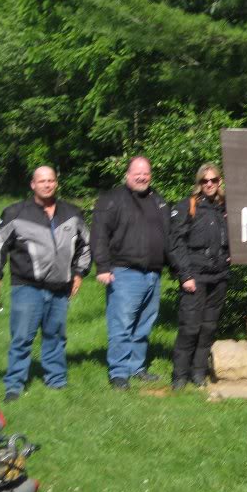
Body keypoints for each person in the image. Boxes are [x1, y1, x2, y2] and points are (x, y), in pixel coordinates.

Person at [0, 166, 91, 402]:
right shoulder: (15, 213)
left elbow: (85, 246)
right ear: (33, 184)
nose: (47, 184)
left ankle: (56, 380)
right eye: (42, 181)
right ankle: (14, 385)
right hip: (27, 286)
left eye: (51, 180)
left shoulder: (72, 213)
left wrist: (79, 273)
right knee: (22, 338)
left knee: (55, 336)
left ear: (56, 183)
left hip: (60, 287)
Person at [91, 156, 171, 390]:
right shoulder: (112, 199)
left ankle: (136, 367)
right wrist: (102, 267)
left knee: (144, 325)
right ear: (127, 175)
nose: (142, 177)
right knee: (122, 325)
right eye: (137, 173)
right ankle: (118, 373)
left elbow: (168, 234)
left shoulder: (158, 200)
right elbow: (99, 234)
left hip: (153, 273)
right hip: (125, 272)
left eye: (146, 173)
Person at [168, 163, 231, 389]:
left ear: (219, 181)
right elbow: (175, 243)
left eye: (213, 180)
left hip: (219, 276)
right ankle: (179, 375)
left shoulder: (225, 207)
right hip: (195, 275)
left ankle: (198, 372)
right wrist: (185, 275)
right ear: (199, 183)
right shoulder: (188, 206)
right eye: (205, 181)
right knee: (190, 327)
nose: (209, 184)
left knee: (208, 328)